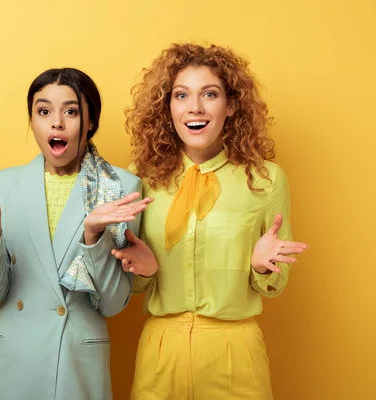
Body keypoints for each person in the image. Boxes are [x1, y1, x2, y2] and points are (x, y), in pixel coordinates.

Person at [112, 43, 309, 399]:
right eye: (181, 95)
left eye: (210, 94)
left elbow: (276, 286)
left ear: (231, 105)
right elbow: (131, 287)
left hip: (235, 352)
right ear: (167, 107)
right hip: (161, 351)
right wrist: (144, 271)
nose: (195, 107)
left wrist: (262, 268)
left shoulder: (266, 179)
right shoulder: (139, 179)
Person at [0, 67, 152, 400]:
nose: (56, 122)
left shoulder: (120, 187)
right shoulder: (2, 186)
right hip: (11, 360)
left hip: (74, 362)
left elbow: (113, 305)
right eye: (43, 111)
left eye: (71, 111)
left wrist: (93, 235)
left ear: (90, 122)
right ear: (33, 122)